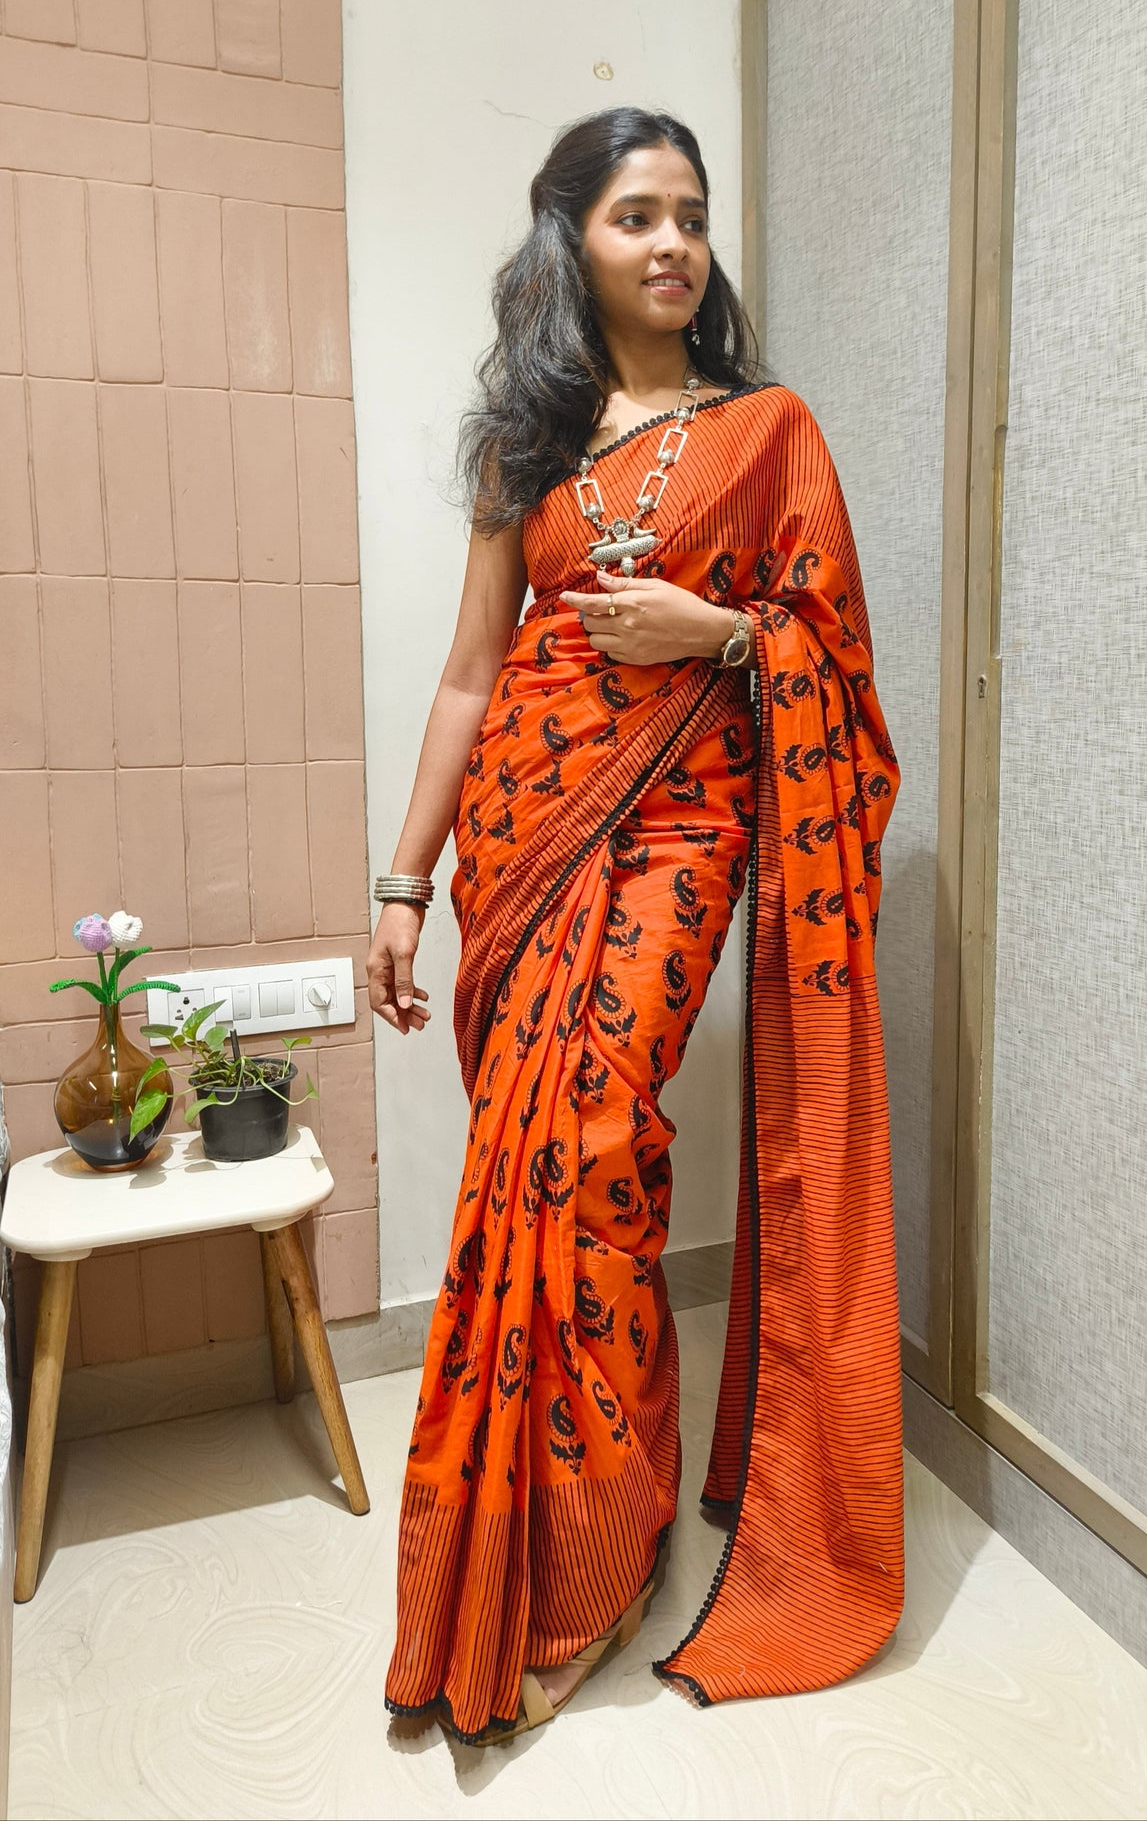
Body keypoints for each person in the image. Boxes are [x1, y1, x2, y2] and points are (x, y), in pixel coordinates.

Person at [370, 106, 903, 1748]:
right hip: (523, 830)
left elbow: (836, 668)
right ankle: (522, 1539)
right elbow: (472, 671)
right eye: (634, 218)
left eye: (690, 216)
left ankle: (597, 1562)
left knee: (596, 1145)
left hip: (680, 827)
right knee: (518, 1175)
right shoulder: (521, 444)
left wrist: (722, 630)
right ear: (571, 242)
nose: (673, 244)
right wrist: (401, 882)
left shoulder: (768, 432)